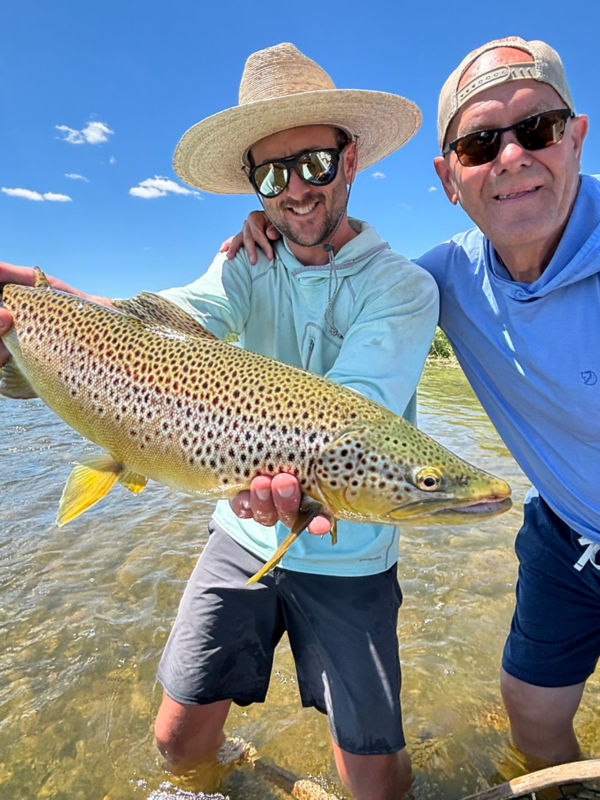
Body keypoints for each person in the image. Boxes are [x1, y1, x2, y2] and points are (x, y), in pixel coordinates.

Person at [0, 43, 439, 800]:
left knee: (373, 781)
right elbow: (165, 329)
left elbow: (344, 419)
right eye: (271, 174)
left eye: (313, 165)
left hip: (352, 560)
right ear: (254, 185)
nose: (294, 190)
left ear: (352, 158)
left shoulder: (404, 288)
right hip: (241, 536)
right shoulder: (244, 262)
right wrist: (49, 307)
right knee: (175, 741)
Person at [227, 36, 600, 781]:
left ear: (577, 134)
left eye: (538, 129)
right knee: (530, 717)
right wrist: (273, 225)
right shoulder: (443, 278)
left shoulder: (416, 282)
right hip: (567, 540)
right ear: (448, 178)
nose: (510, 157)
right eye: (479, 143)